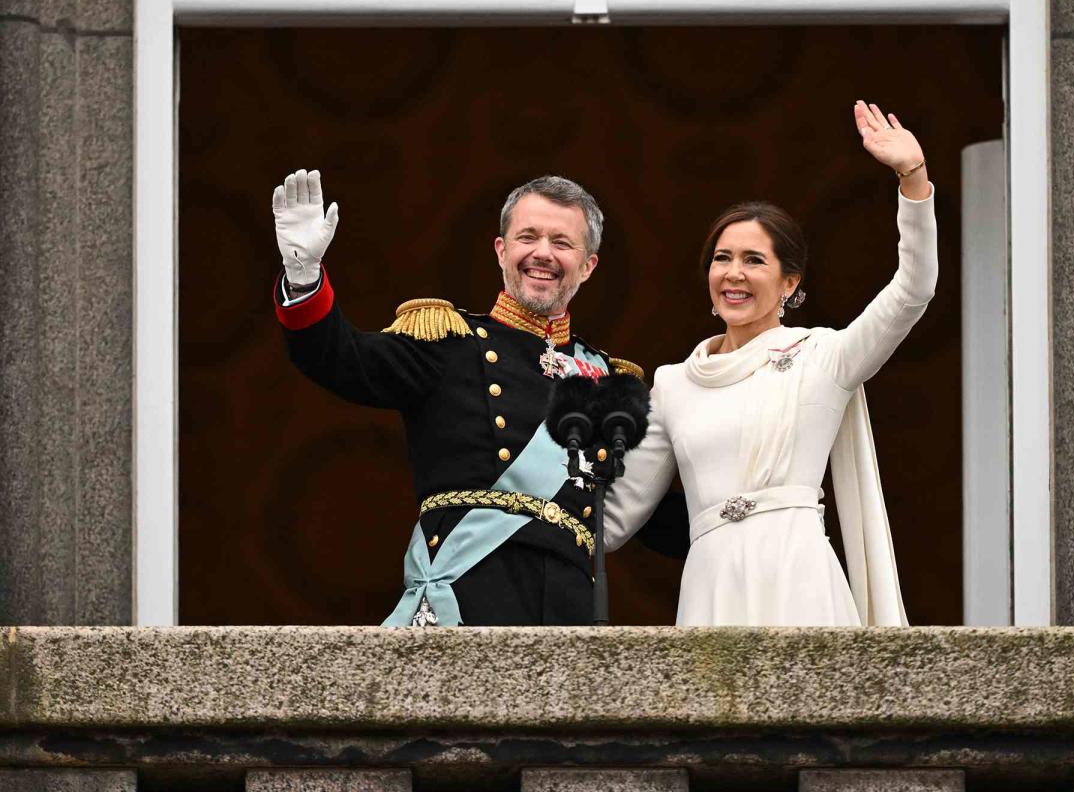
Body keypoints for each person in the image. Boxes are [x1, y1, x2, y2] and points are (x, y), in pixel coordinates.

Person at [603, 101, 936, 626]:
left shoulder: (824, 357)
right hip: (711, 586)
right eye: (722, 258)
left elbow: (913, 291)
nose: (733, 273)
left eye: (754, 260)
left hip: (797, 576)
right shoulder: (673, 384)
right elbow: (615, 518)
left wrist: (912, 179)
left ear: (789, 283)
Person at [271, 172, 645, 627]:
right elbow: (340, 359)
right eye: (528, 237)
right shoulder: (447, 342)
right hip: (468, 593)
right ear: (501, 251)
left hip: (567, 607)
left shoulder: (609, 382)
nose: (542, 252)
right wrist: (303, 273)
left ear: (588, 265)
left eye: (562, 242)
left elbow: (651, 501)